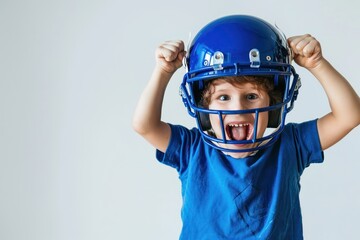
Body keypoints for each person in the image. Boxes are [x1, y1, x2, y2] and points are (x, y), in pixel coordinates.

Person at [132, 15, 360, 239]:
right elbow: (145, 125)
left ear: (273, 104)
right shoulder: (192, 149)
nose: (238, 108)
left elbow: (350, 115)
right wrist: (162, 72)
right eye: (223, 97)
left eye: (251, 95)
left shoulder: (290, 145)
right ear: (203, 106)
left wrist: (317, 64)